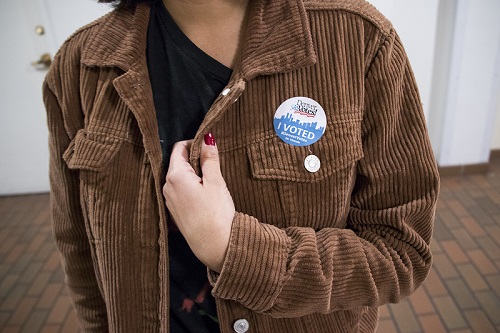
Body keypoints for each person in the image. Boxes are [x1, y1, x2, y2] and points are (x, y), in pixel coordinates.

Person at [42, 0, 440, 332]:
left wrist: (234, 250)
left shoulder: (357, 39)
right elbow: (79, 249)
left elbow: (400, 251)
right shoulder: (79, 66)